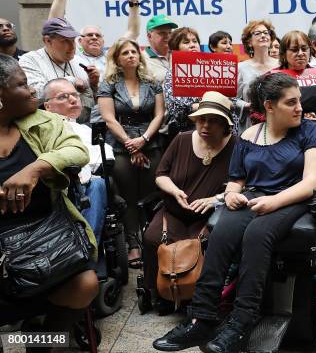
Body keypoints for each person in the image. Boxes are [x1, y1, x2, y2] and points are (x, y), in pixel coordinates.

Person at [152, 72, 316, 352]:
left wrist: (274, 201)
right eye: (291, 102)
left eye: (299, 102)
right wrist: (232, 193)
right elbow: (237, 180)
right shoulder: (249, 135)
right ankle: (202, 319)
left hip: (294, 198)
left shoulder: (310, 131)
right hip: (253, 197)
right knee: (221, 232)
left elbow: (312, 182)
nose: (300, 108)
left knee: (257, 235)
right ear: (269, 106)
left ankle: (242, 322)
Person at [0, 54, 98, 330]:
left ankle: (39, 341)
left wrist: (36, 168)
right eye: (22, 85)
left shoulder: (41, 120)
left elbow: (77, 150)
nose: (32, 89)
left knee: (85, 284)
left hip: (47, 235)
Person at [143, 91, 236, 313]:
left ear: (225, 125)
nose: (205, 126)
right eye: (202, 119)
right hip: (173, 211)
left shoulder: (236, 146)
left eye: (213, 121)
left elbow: (241, 184)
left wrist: (216, 200)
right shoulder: (182, 138)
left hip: (207, 215)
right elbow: (161, 175)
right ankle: (158, 293)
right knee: (153, 237)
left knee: (203, 244)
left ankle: (196, 297)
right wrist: (175, 191)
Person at [98, 38, 165, 267]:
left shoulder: (152, 82)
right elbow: (108, 118)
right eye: (125, 52)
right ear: (117, 59)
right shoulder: (109, 83)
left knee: (151, 194)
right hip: (120, 143)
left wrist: (144, 140)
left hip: (151, 140)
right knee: (127, 197)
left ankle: (151, 240)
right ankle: (133, 245)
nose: (130, 56)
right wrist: (130, 144)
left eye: (133, 52)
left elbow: (159, 114)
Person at [43, 78, 114, 245]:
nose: (73, 100)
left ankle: (87, 246)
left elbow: (107, 155)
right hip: (59, 184)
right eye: (63, 97)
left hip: (88, 185)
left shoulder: (85, 129)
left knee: (99, 184)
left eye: (75, 95)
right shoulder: (44, 129)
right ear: (47, 106)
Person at [47, 0, 141, 81]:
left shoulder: (111, 54)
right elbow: (54, 23)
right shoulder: (74, 56)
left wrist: (134, 0)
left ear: (103, 41)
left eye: (98, 35)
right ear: (80, 41)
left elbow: (133, 32)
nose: (94, 38)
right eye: (90, 35)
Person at [19, 17, 98, 123]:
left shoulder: (79, 60)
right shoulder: (30, 60)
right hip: (49, 127)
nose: (72, 46)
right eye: (65, 41)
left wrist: (93, 85)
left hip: (84, 126)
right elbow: (35, 94)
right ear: (47, 41)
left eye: (72, 41)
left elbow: (93, 101)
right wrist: (71, 81)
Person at [236, 20, 278, 133]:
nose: (263, 35)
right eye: (257, 33)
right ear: (249, 42)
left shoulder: (281, 65)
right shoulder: (240, 68)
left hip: (278, 123)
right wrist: (247, 106)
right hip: (250, 126)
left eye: (266, 32)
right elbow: (232, 99)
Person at [163, 27, 202, 138]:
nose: (192, 45)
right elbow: (177, 109)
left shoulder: (212, 69)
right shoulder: (173, 73)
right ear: (176, 49)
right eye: (186, 42)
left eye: (195, 41)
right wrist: (209, 105)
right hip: (184, 133)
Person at [144, 14, 179, 84]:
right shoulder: (142, 60)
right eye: (162, 33)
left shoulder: (179, 55)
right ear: (149, 36)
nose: (168, 36)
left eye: (170, 32)